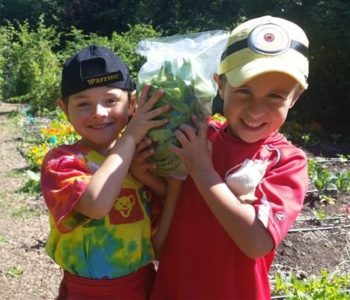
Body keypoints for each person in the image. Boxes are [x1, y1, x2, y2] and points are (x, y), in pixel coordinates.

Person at [150, 15, 310, 300]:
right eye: (243, 91)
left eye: (275, 97)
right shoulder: (197, 135)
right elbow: (171, 193)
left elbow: (256, 242)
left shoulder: (286, 161)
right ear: (220, 86)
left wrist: (202, 169)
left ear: (294, 99)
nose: (256, 110)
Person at [40, 45, 172, 300]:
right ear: (64, 109)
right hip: (85, 291)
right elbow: (96, 204)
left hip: (143, 285)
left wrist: (144, 176)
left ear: (132, 103)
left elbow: (169, 214)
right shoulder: (62, 161)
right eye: (83, 104)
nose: (99, 112)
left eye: (111, 100)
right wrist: (131, 137)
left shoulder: (142, 157)